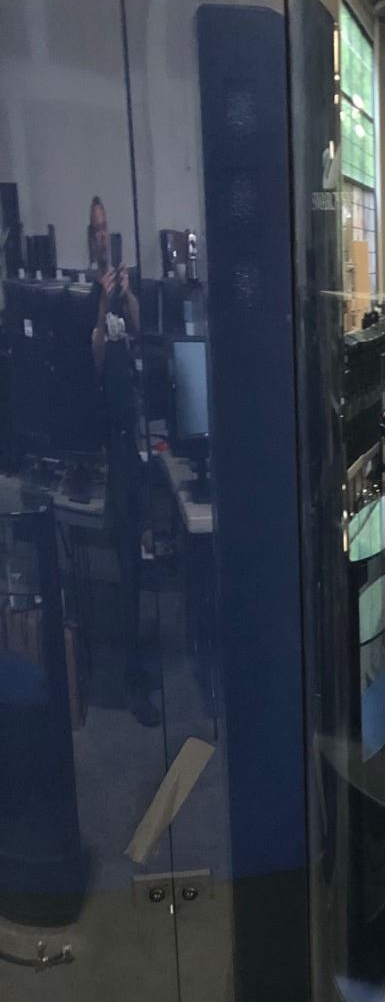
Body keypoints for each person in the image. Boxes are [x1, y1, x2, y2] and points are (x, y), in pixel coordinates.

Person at [87, 195, 159, 728]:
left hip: (134, 446)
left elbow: (138, 334)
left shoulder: (120, 295)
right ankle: (129, 680)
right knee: (121, 566)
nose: (102, 235)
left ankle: (137, 669)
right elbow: (95, 357)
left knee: (138, 559)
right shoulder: (85, 296)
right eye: (95, 228)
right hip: (109, 449)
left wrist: (128, 296)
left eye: (106, 227)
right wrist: (99, 303)